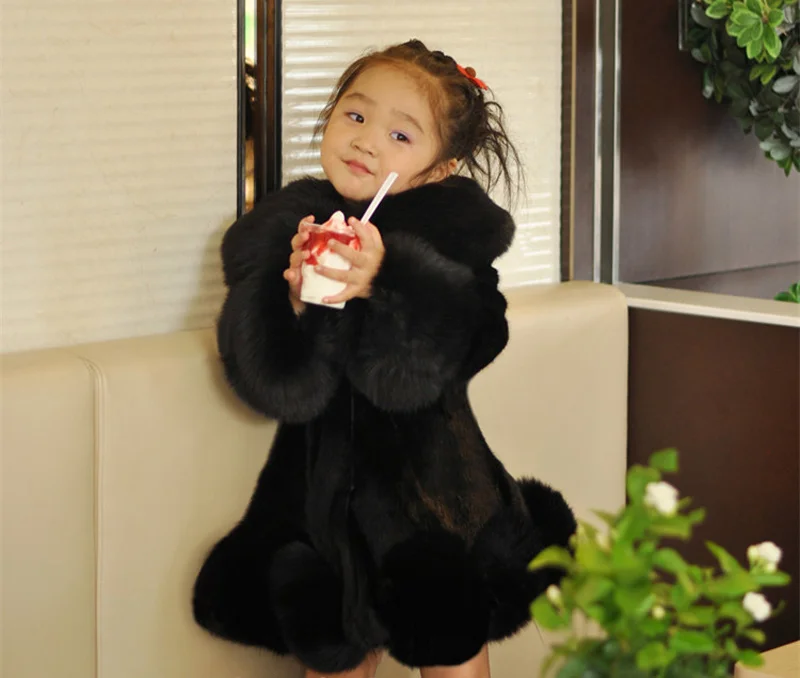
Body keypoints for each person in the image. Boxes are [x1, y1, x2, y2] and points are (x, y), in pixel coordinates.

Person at [192, 39, 576, 678]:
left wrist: (386, 280)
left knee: (451, 654)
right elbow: (273, 389)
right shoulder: (291, 229)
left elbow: (473, 340)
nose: (367, 141)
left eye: (401, 135)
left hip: (436, 497)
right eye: (356, 115)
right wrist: (293, 304)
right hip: (320, 502)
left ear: (440, 167)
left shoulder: (453, 242)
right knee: (335, 659)